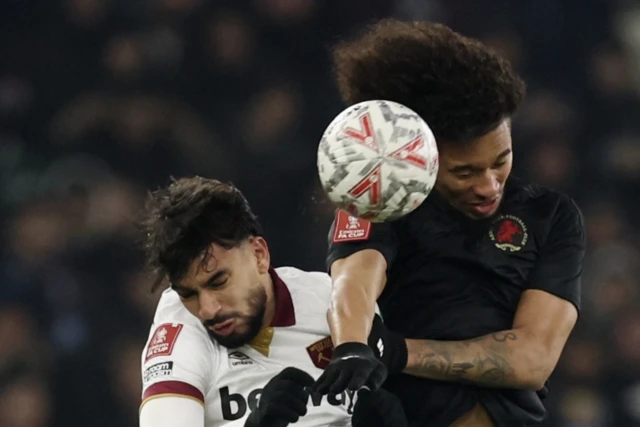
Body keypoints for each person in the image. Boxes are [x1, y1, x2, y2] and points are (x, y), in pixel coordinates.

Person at [312, 19, 586, 427]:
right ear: (423, 158)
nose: (489, 186)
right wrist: (352, 345)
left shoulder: (552, 216)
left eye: (501, 161)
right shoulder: (386, 204)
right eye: (465, 172)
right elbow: (354, 278)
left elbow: (532, 359)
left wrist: (398, 352)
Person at [136, 176, 407, 427]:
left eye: (219, 282)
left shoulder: (333, 302)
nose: (207, 310)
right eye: (188, 294)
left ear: (259, 255)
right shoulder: (179, 330)